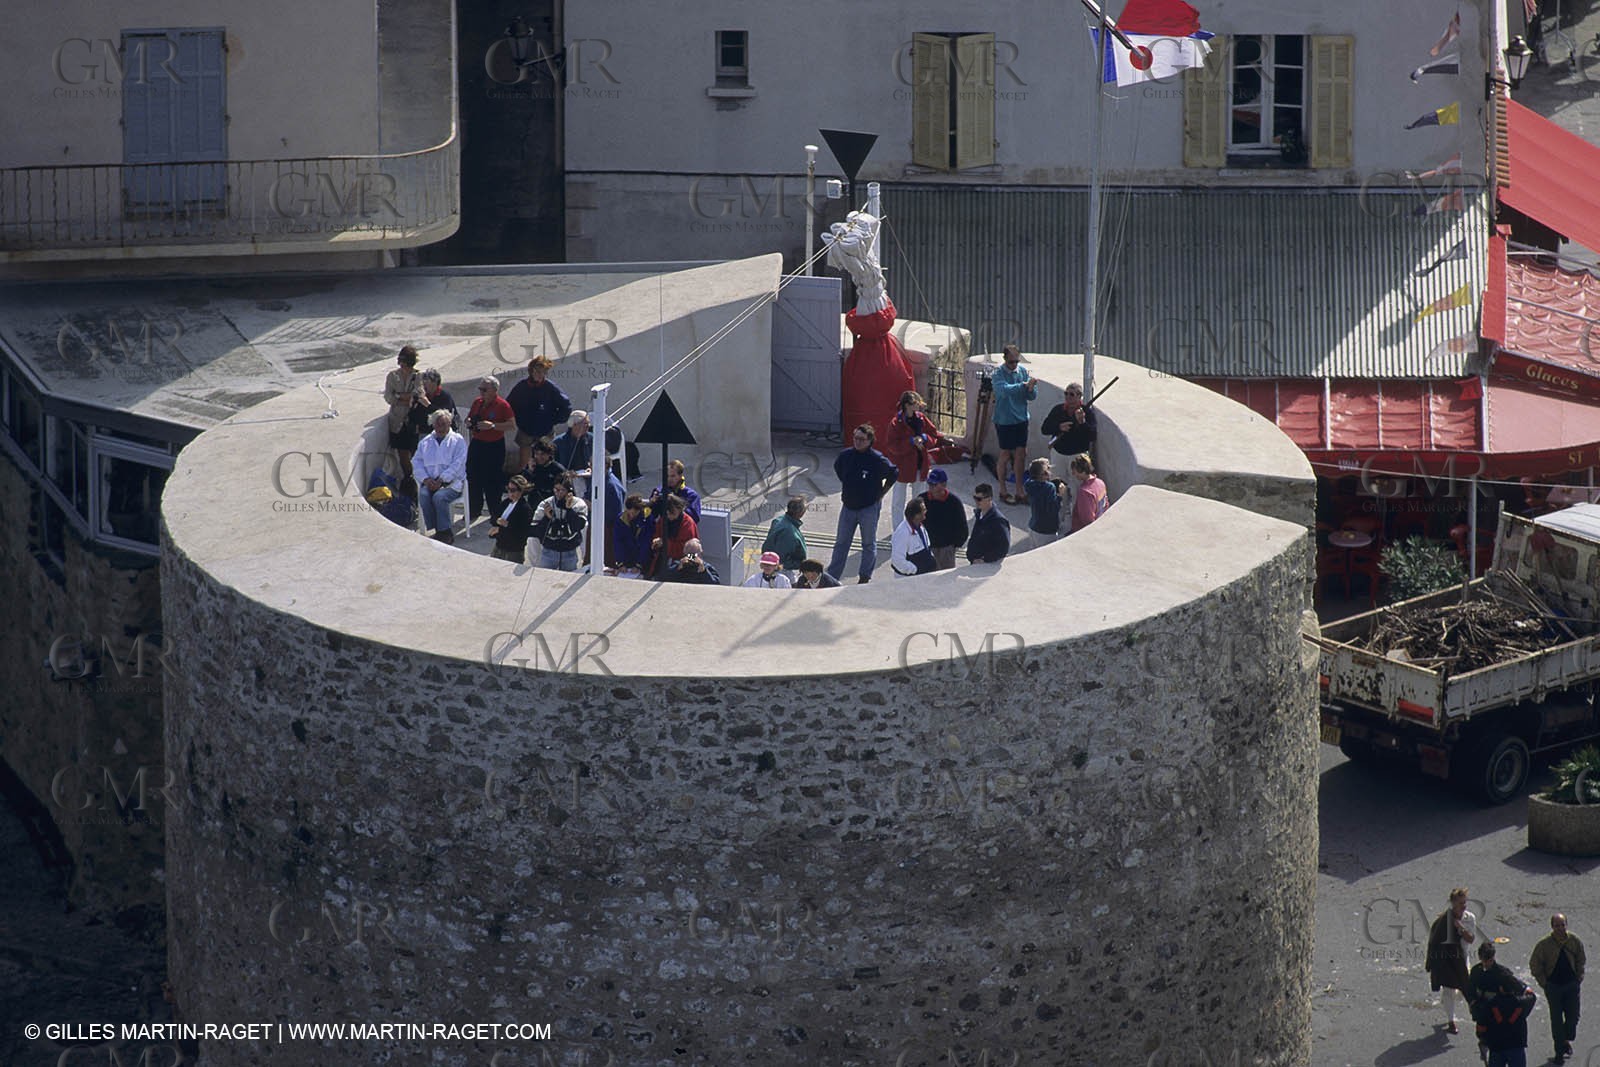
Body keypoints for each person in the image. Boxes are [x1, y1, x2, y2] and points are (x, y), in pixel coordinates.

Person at [827, 423, 898, 584]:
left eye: (861, 439)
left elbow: (894, 473)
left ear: (870, 440)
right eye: (855, 438)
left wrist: (882, 493)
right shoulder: (845, 456)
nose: (857, 442)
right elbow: (838, 469)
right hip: (848, 507)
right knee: (841, 544)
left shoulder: (877, 459)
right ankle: (832, 576)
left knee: (868, 543)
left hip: (869, 508)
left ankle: (865, 577)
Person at [883, 390, 960, 511]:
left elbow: (933, 435)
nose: (918, 405)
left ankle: (918, 525)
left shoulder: (921, 419)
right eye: (915, 403)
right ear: (907, 405)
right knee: (898, 501)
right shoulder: (896, 423)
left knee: (919, 500)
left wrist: (924, 438)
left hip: (921, 464)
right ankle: (898, 528)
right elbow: (893, 446)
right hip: (903, 466)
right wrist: (911, 442)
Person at [1469, 943, 1537, 1067]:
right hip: (1483, 1012)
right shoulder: (1476, 972)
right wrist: (1473, 1004)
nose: (1486, 963)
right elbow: (1470, 990)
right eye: (1484, 960)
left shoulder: (1502, 974)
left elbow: (1519, 988)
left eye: (1488, 960)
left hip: (1495, 1014)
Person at [1530, 913, 1585, 1062]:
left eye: (1562, 925)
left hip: (1571, 985)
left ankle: (1566, 1040)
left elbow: (1581, 959)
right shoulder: (1544, 945)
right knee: (1556, 1020)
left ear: (1566, 925)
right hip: (1554, 987)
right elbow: (1535, 964)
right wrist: (1545, 983)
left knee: (1573, 1017)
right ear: (1552, 927)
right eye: (1556, 925)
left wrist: (1579, 977)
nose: (1560, 928)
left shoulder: (1574, 941)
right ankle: (1559, 1051)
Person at [1427, 887, 1480, 1034]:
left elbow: (1471, 939)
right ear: (1453, 903)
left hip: (1462, 959)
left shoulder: (1469, 918)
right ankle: (1451, 1020)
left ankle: (1451, 1004)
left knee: (1464, 988)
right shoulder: (1443, 921)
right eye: (1461, 903)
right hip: (1448, 962)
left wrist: (1460, 928)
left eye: (1465, 902)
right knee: (1449, 990)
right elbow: (1434, 941)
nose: (1464, 906)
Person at [505, 355, 571, 470]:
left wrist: (554, 420)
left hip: (545, 433)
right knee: (524, 465)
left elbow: (566, 405)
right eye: (538, 371)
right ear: (531, 370)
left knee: (547, 463)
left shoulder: (550, 388)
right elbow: (508, 406)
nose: (540, 375)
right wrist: (516, 420)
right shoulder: (522, 387)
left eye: (544, 372)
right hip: (526, 432)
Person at [991, 344, 1037, 505]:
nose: (1014, 365)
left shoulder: (1022, 371)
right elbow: (1003, 390)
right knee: (1005, 454)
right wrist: (1023, 386)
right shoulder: (998, 374)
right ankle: (1003, 490)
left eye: (1016, 361)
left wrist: (1030, 389)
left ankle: (1019, 490)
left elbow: (1031, 396)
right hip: (1004, 420)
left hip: (1021, 419)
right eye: (1011, 362)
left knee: (1021, 454)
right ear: (1005, 360)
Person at [464, 376, 514, 524]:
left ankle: (494, 512)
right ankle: (474, 509)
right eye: (480, 389)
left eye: (484, 390)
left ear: (494, 390)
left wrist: (492, 425)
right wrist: (468, 422)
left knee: (492, 481)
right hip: (477, 443)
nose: (481, 392)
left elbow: (511, 425)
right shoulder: (477, 403)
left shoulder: (502, 405)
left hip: (494, 445)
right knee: (473, 476)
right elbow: (470, 417)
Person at [413, 411, 466, 544]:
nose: (440, 427)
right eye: (437, 424)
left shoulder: (458, 440)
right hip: (430, 482)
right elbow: (416, 462)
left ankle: (445, 531)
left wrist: (442, 480)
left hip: (451, 483)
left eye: (443, 424)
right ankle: (438, 529)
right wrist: (426, 479)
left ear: (449, 424)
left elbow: (458, 463)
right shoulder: (425, 442)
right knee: (424, 495)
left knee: (439, 497)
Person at [383, 345, 428, 478]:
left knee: (415, 453)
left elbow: (418, 394)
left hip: (413, 420)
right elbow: (388, 397)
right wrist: (404, 398)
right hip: (397, 421)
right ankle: (409, 477)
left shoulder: (418, 376)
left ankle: (418, 477)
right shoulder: (392, 376)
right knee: (402, 454)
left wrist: (399, 395)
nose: (404, 367)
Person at [530, 474, 588, 571]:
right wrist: (547, 518)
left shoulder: (579, 504)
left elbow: (578, 526)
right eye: (556, 489)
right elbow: (536, 530)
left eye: (562, 490)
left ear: (569, 491)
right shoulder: (545, 504)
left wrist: (569, 510)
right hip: (548, 552)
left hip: (570, 553)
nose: (559, 493)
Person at [918, 468, 967, 570]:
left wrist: (954, 546)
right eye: (930, 484)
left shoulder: (954, 502)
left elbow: (962, 527)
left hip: (946, 548)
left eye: (934, 484)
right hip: (927, 548)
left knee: (946, 580)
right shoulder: (922, 499)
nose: (931, 487)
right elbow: (914, 521)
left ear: (944, 485)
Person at [1040, 381, 1097, 460]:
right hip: (1058, 454)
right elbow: (1044, 429)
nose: (1068, 396)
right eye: (1066, 393)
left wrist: (1082, 422)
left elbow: (1092, 436)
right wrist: (1059, 427)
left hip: (1078, 456)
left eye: (1072, 394)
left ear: (1079, 396)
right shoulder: (1058, 409)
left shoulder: (1087, 412)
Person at [647, 494, 699, 578]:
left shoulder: (688, 524)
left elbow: (687, 549)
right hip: (662, 561)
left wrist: (665, 543)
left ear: (679, 509)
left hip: (683, 564)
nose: (669, 516)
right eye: (667, 514)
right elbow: (656, 534)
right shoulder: (663, 520)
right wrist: (656, 542)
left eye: (672, 513)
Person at [487, 475, 535, 564]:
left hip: (514, 552)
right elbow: (494, 516)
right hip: (499, 547)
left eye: (513, 490)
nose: (510, 493)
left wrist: (504, 527)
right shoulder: (506, 503)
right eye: (508, 489)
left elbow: (522, 532)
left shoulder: (525, 509)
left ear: (521, 491)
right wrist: (497, 521)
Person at [608, 494, 653, 577]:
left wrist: (639, 564)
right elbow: (617, 542)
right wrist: (621, 563)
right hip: (626, 558)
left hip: (642, 559)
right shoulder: (620, 519)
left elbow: (646, 542)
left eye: (635, 512)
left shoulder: (647, 519)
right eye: (630, 512)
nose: (632, 515)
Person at [762, 496, 808, 576]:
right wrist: (800, 564)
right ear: (800, 513)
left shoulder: (780, 520)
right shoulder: (789, 533)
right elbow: (781, 558)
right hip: (781, 569)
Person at [890, 499, 937, 577]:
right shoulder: (902, 533)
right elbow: (897, 561)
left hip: (923, 577)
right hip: (908, 580)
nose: (926, 511)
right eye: (923, 510)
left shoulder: (920, 526)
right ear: (916, 515)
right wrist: (915, 570)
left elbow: (927, 548)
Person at [967, 482, 1011, 564]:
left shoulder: (999, 521)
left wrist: (985, 559)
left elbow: (1003, 547)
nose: (976, 501)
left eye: (979, 499)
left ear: (989, 499)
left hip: (985, 565)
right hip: (975, 563)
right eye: (975, 498)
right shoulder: (979, 514)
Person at [1023, 457, 1064, 541]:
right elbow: (1053, 509)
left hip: (1033, 527)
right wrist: (1060, 495)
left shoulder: (1028, 484)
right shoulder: (1049, 488)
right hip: (1046, 530)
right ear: (1044, 474)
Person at [1068, 454, 1109, 535]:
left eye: (1074, 471)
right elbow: (1106, 504)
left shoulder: (1085, 492)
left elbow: (1087, 520)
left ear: (1082, 471)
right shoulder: (1100, 482)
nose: (1073, 474)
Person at [520, 438, 567, 503]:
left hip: (551, 501)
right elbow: (522, 485)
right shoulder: (532, 466)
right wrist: (530, 470)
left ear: (549, 454)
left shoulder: (557, 469)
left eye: (542, 454)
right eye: (537, 454)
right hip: (534, 502)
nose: (539, 457)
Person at [420, 369, 459, 433]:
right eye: (423, 380)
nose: (424, 383)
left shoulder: (445, 396)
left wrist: (429, 405)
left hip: (444, 432)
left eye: (427, 380)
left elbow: (446, 414)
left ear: (434, 382)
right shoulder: (423, 396)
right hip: (426, 431)